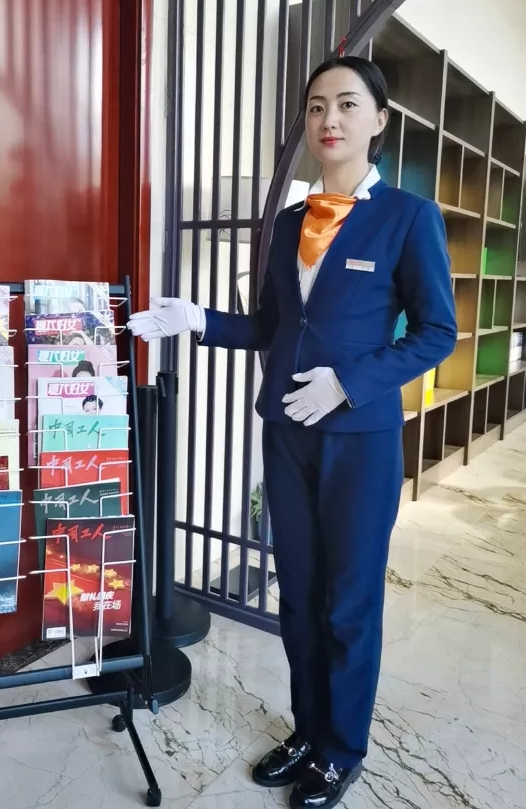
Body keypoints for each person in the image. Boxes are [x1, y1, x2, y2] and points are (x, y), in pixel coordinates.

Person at [127, 56, 457, 809]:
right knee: (299, 596)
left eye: (346, 104)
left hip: (359, 439)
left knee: (348, 603)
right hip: (286, 433)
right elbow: (273, 328)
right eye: (314, 106)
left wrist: (350, 382)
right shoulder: (286, 224)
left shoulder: (408, 217)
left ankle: (342, 750)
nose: (328, 119)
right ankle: (309, 731)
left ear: (378, 120)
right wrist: (199, 319)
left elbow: (436, 332)